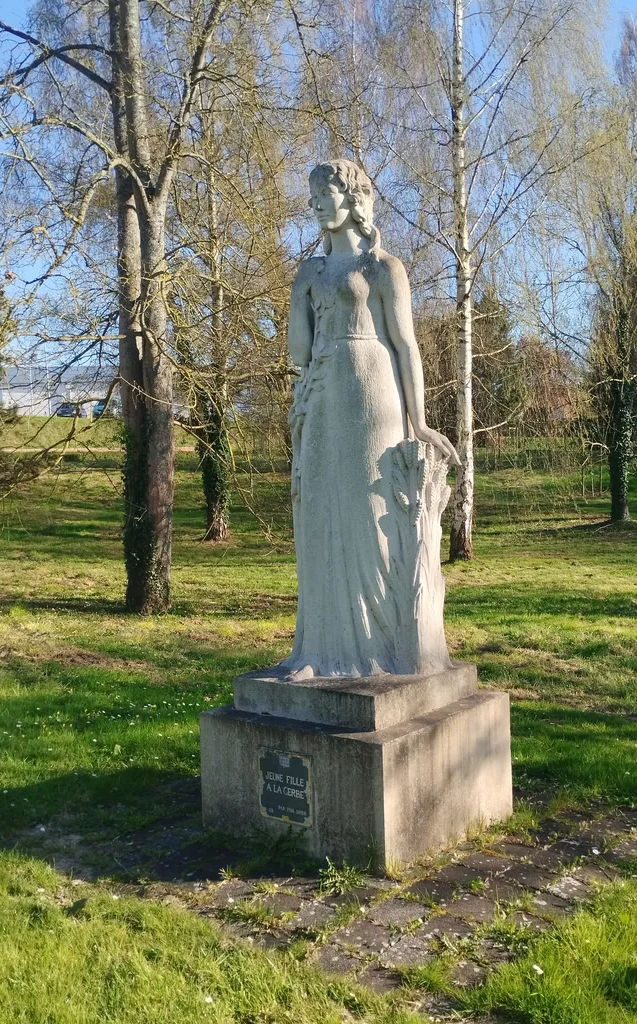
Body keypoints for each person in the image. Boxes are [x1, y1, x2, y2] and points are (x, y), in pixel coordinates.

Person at [284, 159, 457, 679]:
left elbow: (406, 346)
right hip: (324, 392)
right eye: (311, 195)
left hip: (372, 397)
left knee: (370, 517)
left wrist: (419, 422)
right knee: (321, 514)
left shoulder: (384, 269)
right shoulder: (311, 271)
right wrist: (299, 294)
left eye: (324, 193)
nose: (315, 203)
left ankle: (383, 649)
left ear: (352, 198)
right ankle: (322, 650)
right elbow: (298, 350)